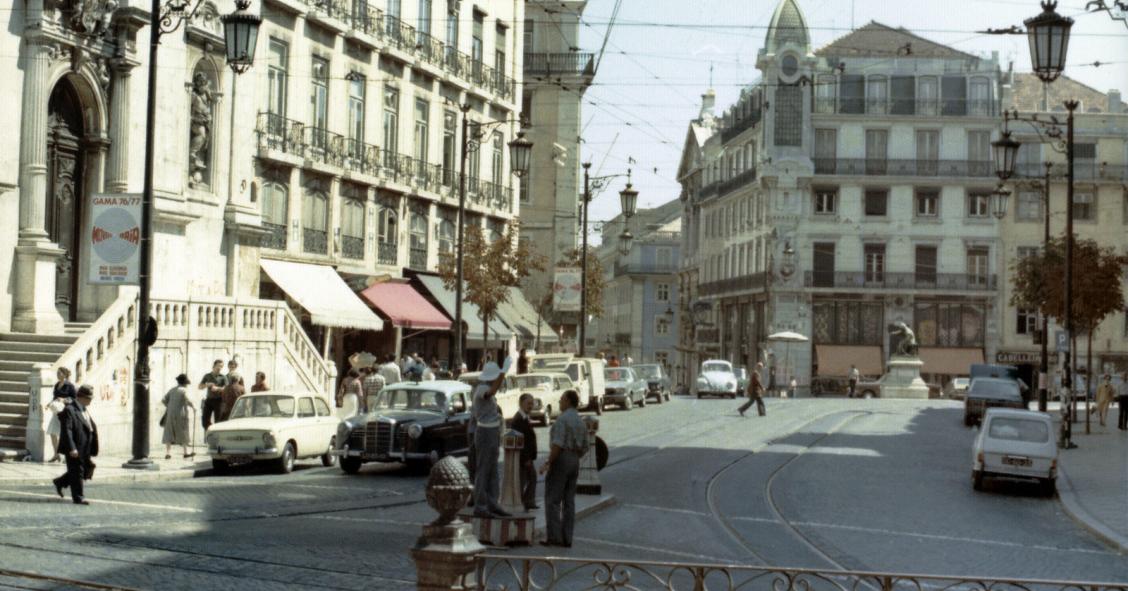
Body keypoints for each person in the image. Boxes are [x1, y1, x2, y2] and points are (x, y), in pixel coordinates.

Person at [539, 389, 588, 547]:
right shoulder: (580, 420)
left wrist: (548, 462)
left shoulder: (562, 420)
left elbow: (557, 444)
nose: (559, 402)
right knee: (569, 501)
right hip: (575, 459)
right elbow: (586, 446)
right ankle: (568, 537)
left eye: (561, 399)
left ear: (567, 401)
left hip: (562, 458)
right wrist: (575, 456)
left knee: (553, 500)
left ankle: (554, 537)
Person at [471, 359, 513, 518]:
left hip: (492, 431)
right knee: (484, 470)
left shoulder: (486, 387)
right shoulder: (482, 388)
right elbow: (492, 392)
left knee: (493, 470)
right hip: (485, 432)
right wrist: (503, 372)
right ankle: (481, 505)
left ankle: (492, 503)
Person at [52, 385, 99, 505]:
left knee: (83, 469)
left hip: (86, 445)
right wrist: (72, 448)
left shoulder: (83, 408)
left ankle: (60, 482)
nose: (91, 400)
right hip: (75, 446)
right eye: (89, 398)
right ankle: (78, 497)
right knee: (77, 471)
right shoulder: (70, 410)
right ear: (81, 397)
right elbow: (67, 430)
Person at [511, 393, 538, 511]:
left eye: (532, 403)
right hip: (523, 457)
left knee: (531, 478)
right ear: (521, 403)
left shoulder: (525, 417)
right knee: (524, 479)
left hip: (527, 457)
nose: (531, 406)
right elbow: (520, 441)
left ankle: (527, 501)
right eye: (528, 403)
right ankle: (523, 502)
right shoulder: (518, 419)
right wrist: (526, 458)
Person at [161, 374, 196, 459]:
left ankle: (168, 453)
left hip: (170, 414)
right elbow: (188, 400)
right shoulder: (184, 390)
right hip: (181, 413)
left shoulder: (172, 390)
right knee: (183, 431)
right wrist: (194, 407)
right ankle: (185, 452)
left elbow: (163, 400)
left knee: (169, 432)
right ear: (185, 383)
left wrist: (170, 407)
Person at [47, 368, 77, 463]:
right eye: (57, 373)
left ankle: (67, 456)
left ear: (64, 374)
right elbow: (55, 397)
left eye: (59, 373)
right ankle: (56, 454)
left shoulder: (70, 386)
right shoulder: (57, 385)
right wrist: (50, 403)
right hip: (57, 412)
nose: (57, 374)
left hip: (66, 412)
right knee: (52, 432)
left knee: (65, 434)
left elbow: (74, 399)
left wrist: (64, 400)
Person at [198, 359, 227, 429]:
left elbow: (227, 389)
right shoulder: (207, 376)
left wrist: (218, 389)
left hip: (219, 401)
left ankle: (217, 434)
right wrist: (207, 385)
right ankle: (210, 433)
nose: (220, 368)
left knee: (219, 421)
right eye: (219, 366)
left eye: (221, 366)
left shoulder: (223, 377)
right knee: (205, 420)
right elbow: (199, 387)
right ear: (214, 366)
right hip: (209, 400)